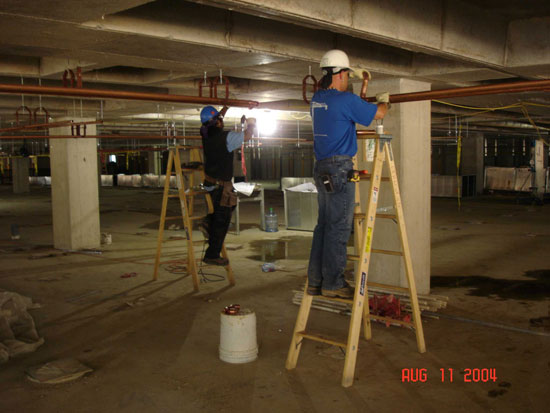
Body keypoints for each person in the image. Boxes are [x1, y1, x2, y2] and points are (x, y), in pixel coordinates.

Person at [307, 49, 389, 298]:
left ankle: (316, 280)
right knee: (339, 227)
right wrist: (385, 100)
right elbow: (379, 113)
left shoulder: (317, 99)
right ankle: (333, 283)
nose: (348, 80)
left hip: (321, 168)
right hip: (340, 169)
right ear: (341, 74)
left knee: (323, 225)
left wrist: (362, 93)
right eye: (348, 75)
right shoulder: (345, 100)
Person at [199, 105, 255, 266]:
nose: (222, 121)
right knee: (221, 221)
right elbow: (247, 136)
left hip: (210, 185)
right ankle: (212, 254)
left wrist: (225, 108)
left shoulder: (205, 132)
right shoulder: (227, 137)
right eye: (220, 119)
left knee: (220, 213)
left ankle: (208, 221)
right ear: (216, 122)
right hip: (220, 187)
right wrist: (251, 124)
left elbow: (212, 121)